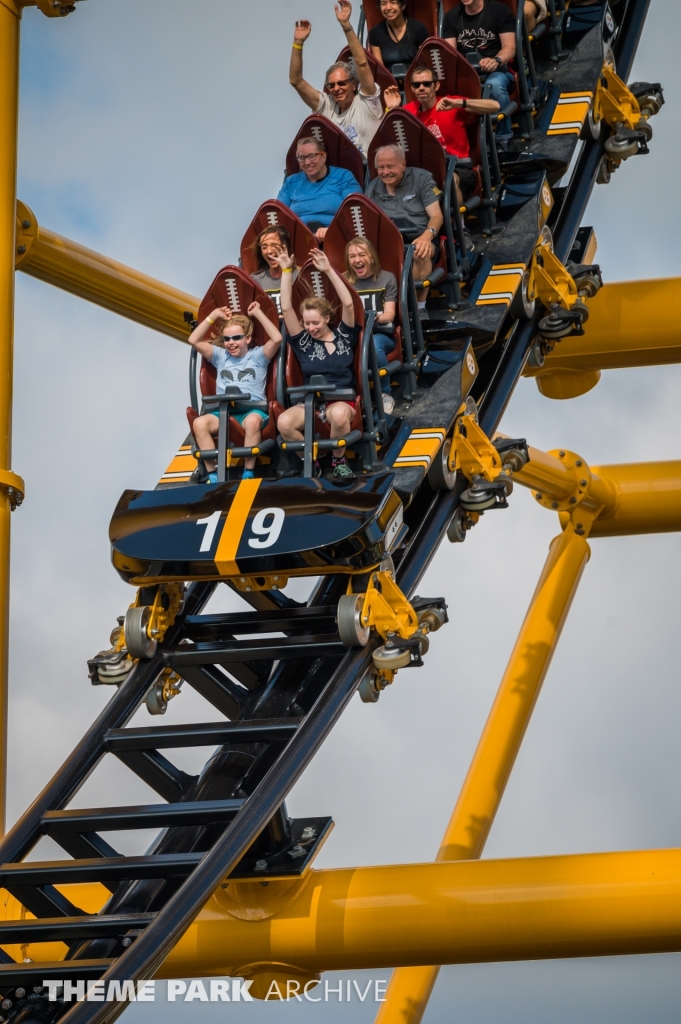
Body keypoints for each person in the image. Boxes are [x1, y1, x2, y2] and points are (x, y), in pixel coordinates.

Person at [277, 247, 360, 479]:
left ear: (326, 318)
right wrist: (286, 270)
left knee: (341, 416)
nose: (311, 328)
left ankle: (338, 459)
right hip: (310, 403)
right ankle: (310, 459)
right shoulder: (303, 342)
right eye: (307, 323)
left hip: (340, 400)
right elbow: (286, 308)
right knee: (284, 422)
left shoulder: (344, 335)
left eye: (315, 323)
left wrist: (328, 270)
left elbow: (349, 304)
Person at [188, 303, 282, 483]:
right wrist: (214, 315)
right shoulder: (220, 356)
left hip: (251, 410)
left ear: (247, 338)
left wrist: (258, 313)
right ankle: (213, 475)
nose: (231, 343)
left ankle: (248, 472)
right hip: (223, 411)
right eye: (227, 339)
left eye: (236, 338)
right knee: (199, 423)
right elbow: (193, 340)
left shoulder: (258, 356)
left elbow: (277, 338)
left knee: (253, 422)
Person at [384, 67, 499, 204]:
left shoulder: (450, 103)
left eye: (426, 84)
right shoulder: (407, 111)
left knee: (450, 181)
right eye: (416, 85)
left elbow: (494, 106)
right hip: (423, 171)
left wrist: (460, 103)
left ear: (436, 85)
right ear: (412, 88)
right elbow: (387, 138)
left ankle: (458, 224)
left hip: (458, 168)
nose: (421, 88)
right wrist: (392, 110)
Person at [289, 0, 383, 158]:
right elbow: (295, 81)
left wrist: (346, 26)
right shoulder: (327, 107)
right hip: (341, 175)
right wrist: (298, 43)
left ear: (354, 85)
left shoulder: (367, 101)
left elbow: (361, 63)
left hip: (370, 172)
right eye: (331, 85)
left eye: (341, 83)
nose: (336, 88)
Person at [365, 144, 443, 317]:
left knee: (419, 252)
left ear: (403, 164)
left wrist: (426, 236)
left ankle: (418, 308)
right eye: (381, 167)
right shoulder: (372, 188)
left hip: (419, 237)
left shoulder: (422, 179)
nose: (385, 172)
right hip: (389, 240)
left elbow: (437, 216)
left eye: (390, 166)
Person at [442, 0, 516, 146]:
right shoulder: (452, 17)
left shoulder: (500, 11)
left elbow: (510, 47)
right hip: (467, 74)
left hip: (497, 71)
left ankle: (503, 138)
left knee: (493, 85)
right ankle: (463, 142)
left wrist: (496, 60)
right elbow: (449, 54)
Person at [343, 236, 397, 414]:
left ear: (371, 257)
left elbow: (390, 314)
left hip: (380, 333)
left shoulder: (387, 278)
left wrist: (372, 318)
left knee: (373, 345)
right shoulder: (344, 281)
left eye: (361, 255)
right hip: (353, 333)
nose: (357, 260)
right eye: (352, 256)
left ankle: (385, 394)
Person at [277, 137, 360, 241]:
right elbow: (279, 216)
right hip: (299, 239)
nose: (307, 162)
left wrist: (332, 230)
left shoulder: (344, 177)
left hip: (337, 237)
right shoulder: (291, 182)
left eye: (312, 156)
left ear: (323, 156)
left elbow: (355, 211)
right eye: (302, 158)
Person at [368, 0, 429, 76]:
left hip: (416, 81)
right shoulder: (375, 33)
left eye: (393, 2)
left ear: (403, 6)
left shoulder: (419, 29)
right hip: (390, 82)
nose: (388, 8)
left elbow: (425, 66)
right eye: (383, 3)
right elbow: (380, 70)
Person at [249, 226, 299, 312]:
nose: (269, 251)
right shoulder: (254, 281)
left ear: (285, 247)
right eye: (264, 247)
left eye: (274, 245)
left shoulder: (300, 277)